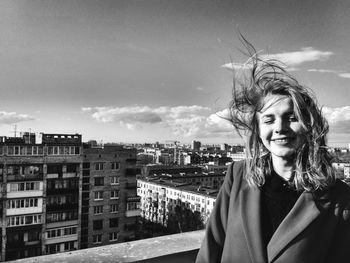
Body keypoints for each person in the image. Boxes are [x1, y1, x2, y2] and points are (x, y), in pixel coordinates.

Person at [195, 40, 350, 263]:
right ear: (258, 131)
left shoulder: (339, 199)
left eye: (291, 117)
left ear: (309, 126)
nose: (279, 128)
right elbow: (211, 250)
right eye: (269, 119)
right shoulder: (238, 176)